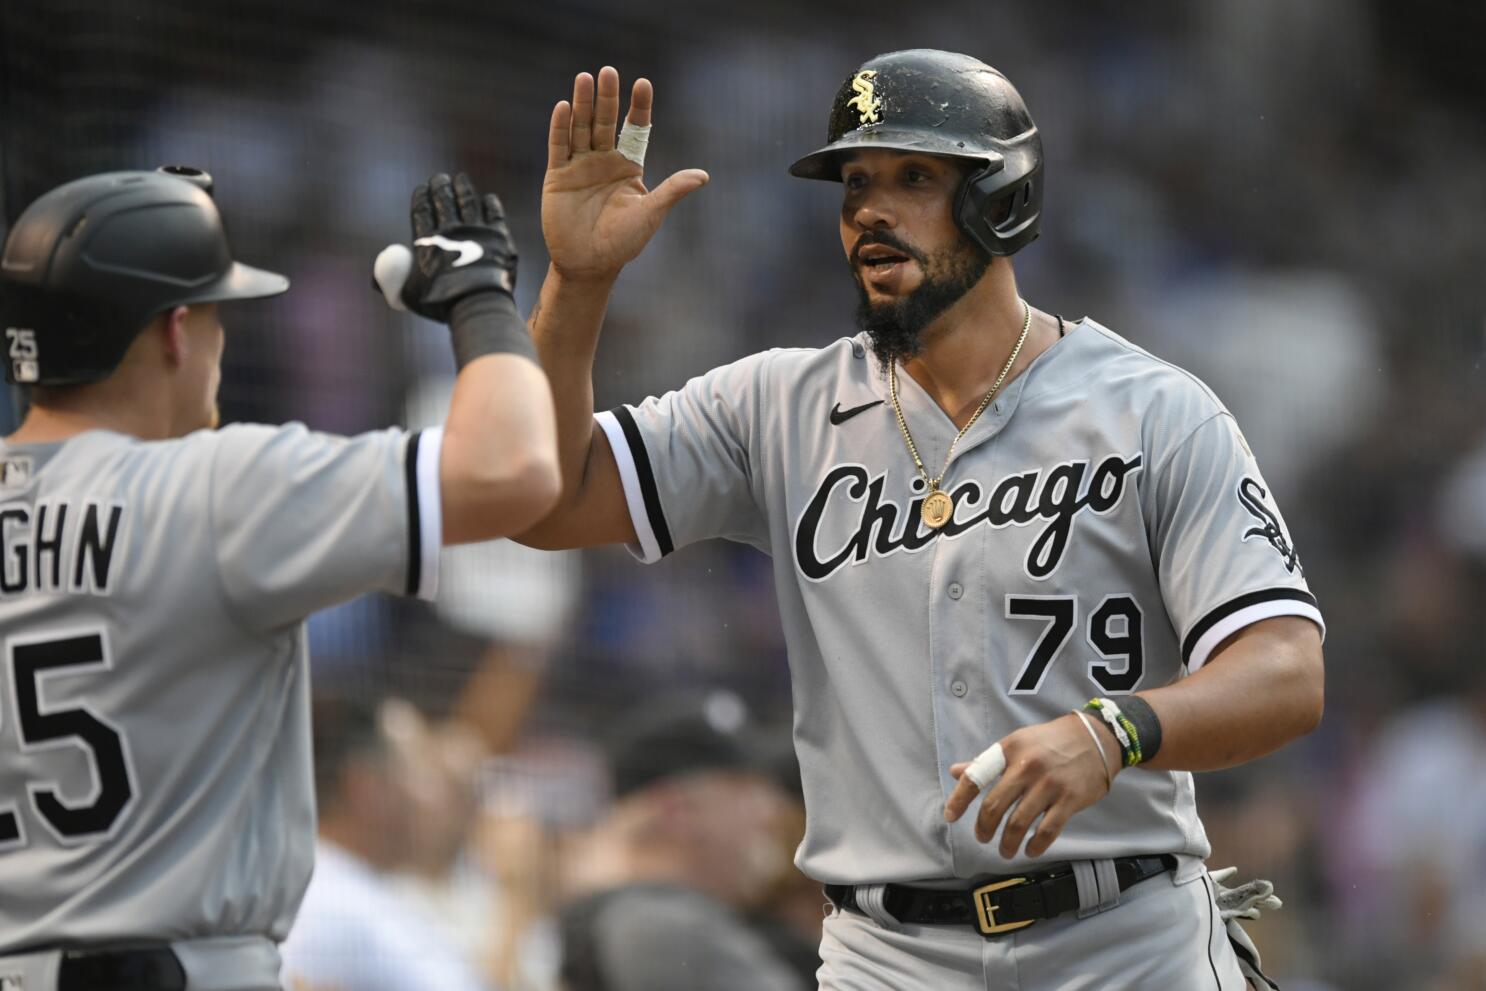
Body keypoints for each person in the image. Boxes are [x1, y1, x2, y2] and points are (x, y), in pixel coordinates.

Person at [517, 50, 1324, 990]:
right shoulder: (775, 405)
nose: (870, 210)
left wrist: (1116, 731)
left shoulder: (1153, 411)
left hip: (1125, 943)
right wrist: (576, 288)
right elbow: (542, 497)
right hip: (886, 956)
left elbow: (1286, 670)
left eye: (913, 178)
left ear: (1003, 198)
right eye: (855, 183)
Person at [0, 166, 558, 990]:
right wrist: (481, 299)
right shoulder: (213, 485)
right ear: (176, 331)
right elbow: (515, 469)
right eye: (221, 312)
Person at [559, 693, 804, 991]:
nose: (768, 814)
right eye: (747, 791)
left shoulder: (624, 919)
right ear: (679, 812)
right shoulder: (664, 927)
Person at [279, 695, 489, 991]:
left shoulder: (354, 887)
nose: (438, 796)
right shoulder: (323, 903)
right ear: (367, 788)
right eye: (423, 770)